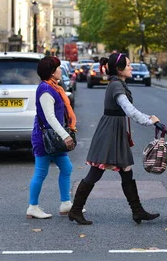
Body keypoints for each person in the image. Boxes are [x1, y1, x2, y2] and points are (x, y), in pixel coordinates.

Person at [68, 53, 160, 225]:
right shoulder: (116, 86)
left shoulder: (118, 84)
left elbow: (130, 110)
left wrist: (150, 118)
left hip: (116, 131)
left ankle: (137, 211)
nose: (132, 67)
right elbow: (130, 110)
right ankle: (75, 210)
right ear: (119, 69)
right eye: (129, 65)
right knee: (96, 172)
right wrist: (149, 121)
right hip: (110, 133)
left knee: (126, 170)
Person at [27, 57, 77, 219]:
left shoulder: (53, 87)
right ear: (51, 72)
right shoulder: (46, 90)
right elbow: (50, 117)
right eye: (58, 68)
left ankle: (66, 204)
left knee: (67, 168)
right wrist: (65, 136)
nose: (60, 70)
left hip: (53, 138)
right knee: (41, 172)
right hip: (45, 138)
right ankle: (33, 207)